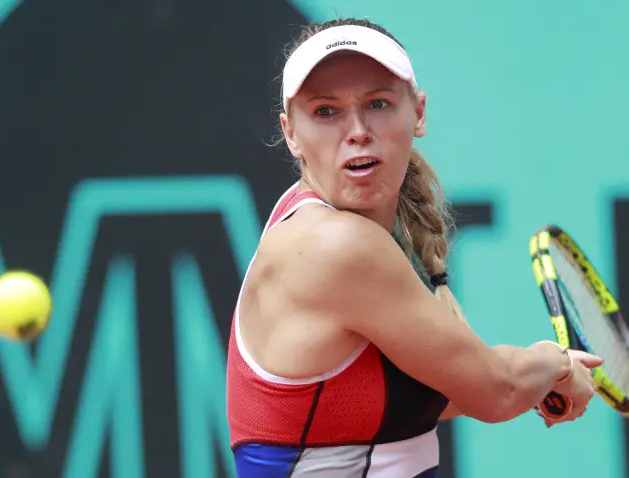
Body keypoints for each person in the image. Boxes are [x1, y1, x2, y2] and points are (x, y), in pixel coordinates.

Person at [225, 18, 602, 477]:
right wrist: (553, 362)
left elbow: (440, 390)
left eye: (378, 103)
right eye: (326, 111)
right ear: (290, 133)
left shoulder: (346, 227)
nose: (358, 129)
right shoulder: (334, 244)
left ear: (418, 112)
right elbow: (494, 391)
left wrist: (535, 377)